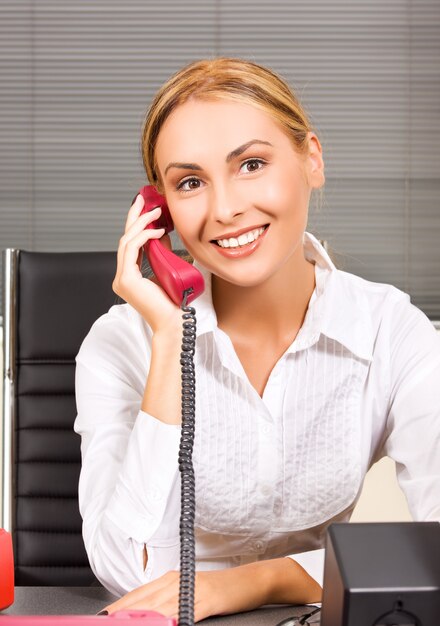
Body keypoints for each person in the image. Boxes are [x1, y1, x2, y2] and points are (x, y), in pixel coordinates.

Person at [74, 57, 440, 621]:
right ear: (159, 212)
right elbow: (123, 567)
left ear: (311, 159)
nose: (224, 209)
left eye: (251, 164)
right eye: (191, 182)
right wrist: (172, 341)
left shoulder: (390, 331)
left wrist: (264, 580)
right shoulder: (122, 344)